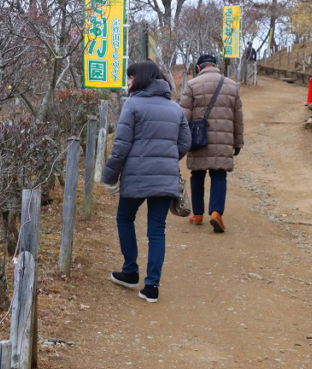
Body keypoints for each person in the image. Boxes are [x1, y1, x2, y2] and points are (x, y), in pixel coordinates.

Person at [102, 61, 190, 303]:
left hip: (136, 176)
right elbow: (185, 143)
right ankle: (152, 286)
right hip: (165, 177)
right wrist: (166, 160)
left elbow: (121, 147)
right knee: (157, 230)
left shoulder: (132, 105)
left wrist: (109, 177)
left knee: (124, 218)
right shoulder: (174, 108)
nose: (128, 83)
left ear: (139, 79)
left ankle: (130, 271)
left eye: (130, 78)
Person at [180, 53, 244, 233]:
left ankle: (198, 214)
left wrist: (181, 141)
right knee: (219, 176)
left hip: (198, 138)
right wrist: (237, 142)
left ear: (199, 68)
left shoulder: (192, 85)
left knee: (197, 175)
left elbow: (184, 117)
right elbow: (238, 118)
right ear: (216, 66)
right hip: (223, 141)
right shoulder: (231, 85)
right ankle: (216, 212)